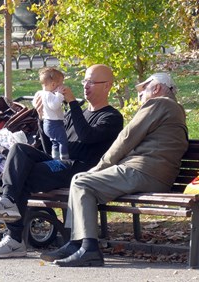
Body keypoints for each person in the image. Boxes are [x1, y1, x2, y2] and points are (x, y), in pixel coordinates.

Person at [42, 72, 188, 267]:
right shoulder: (174, 109)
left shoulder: (159, 104)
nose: (140, 95)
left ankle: (87, 248)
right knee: (80, 178)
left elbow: (127, 137)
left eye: (144, 89)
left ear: (158, 88)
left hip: (144, 171)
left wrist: (100, 168)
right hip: (154, 173)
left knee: (82, 181)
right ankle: (77, 244)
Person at [0, 64, 124, 258]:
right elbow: (50, 148)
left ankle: (14, 238)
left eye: (91, 82)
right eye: (85, 81)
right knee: (19, 149)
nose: (86, 86)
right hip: (59, 163)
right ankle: (8, 202)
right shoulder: (73, 114)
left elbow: (86, 135)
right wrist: (41, 118)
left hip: (80, 169)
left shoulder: (111, 117)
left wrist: (72, 103)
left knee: (21, 177)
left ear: (107, 86)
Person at [33, 67, 69, 160]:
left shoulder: (41, 93)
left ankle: (55, 158)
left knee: (55, 143)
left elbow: (34, 103)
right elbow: (54, 105)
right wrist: (60, 95)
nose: (62, 86)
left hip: (47, 123)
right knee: (63, 141)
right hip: (54, 124)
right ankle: (64, 158)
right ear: (53, 84)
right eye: (61, 84)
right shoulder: (48, 95)